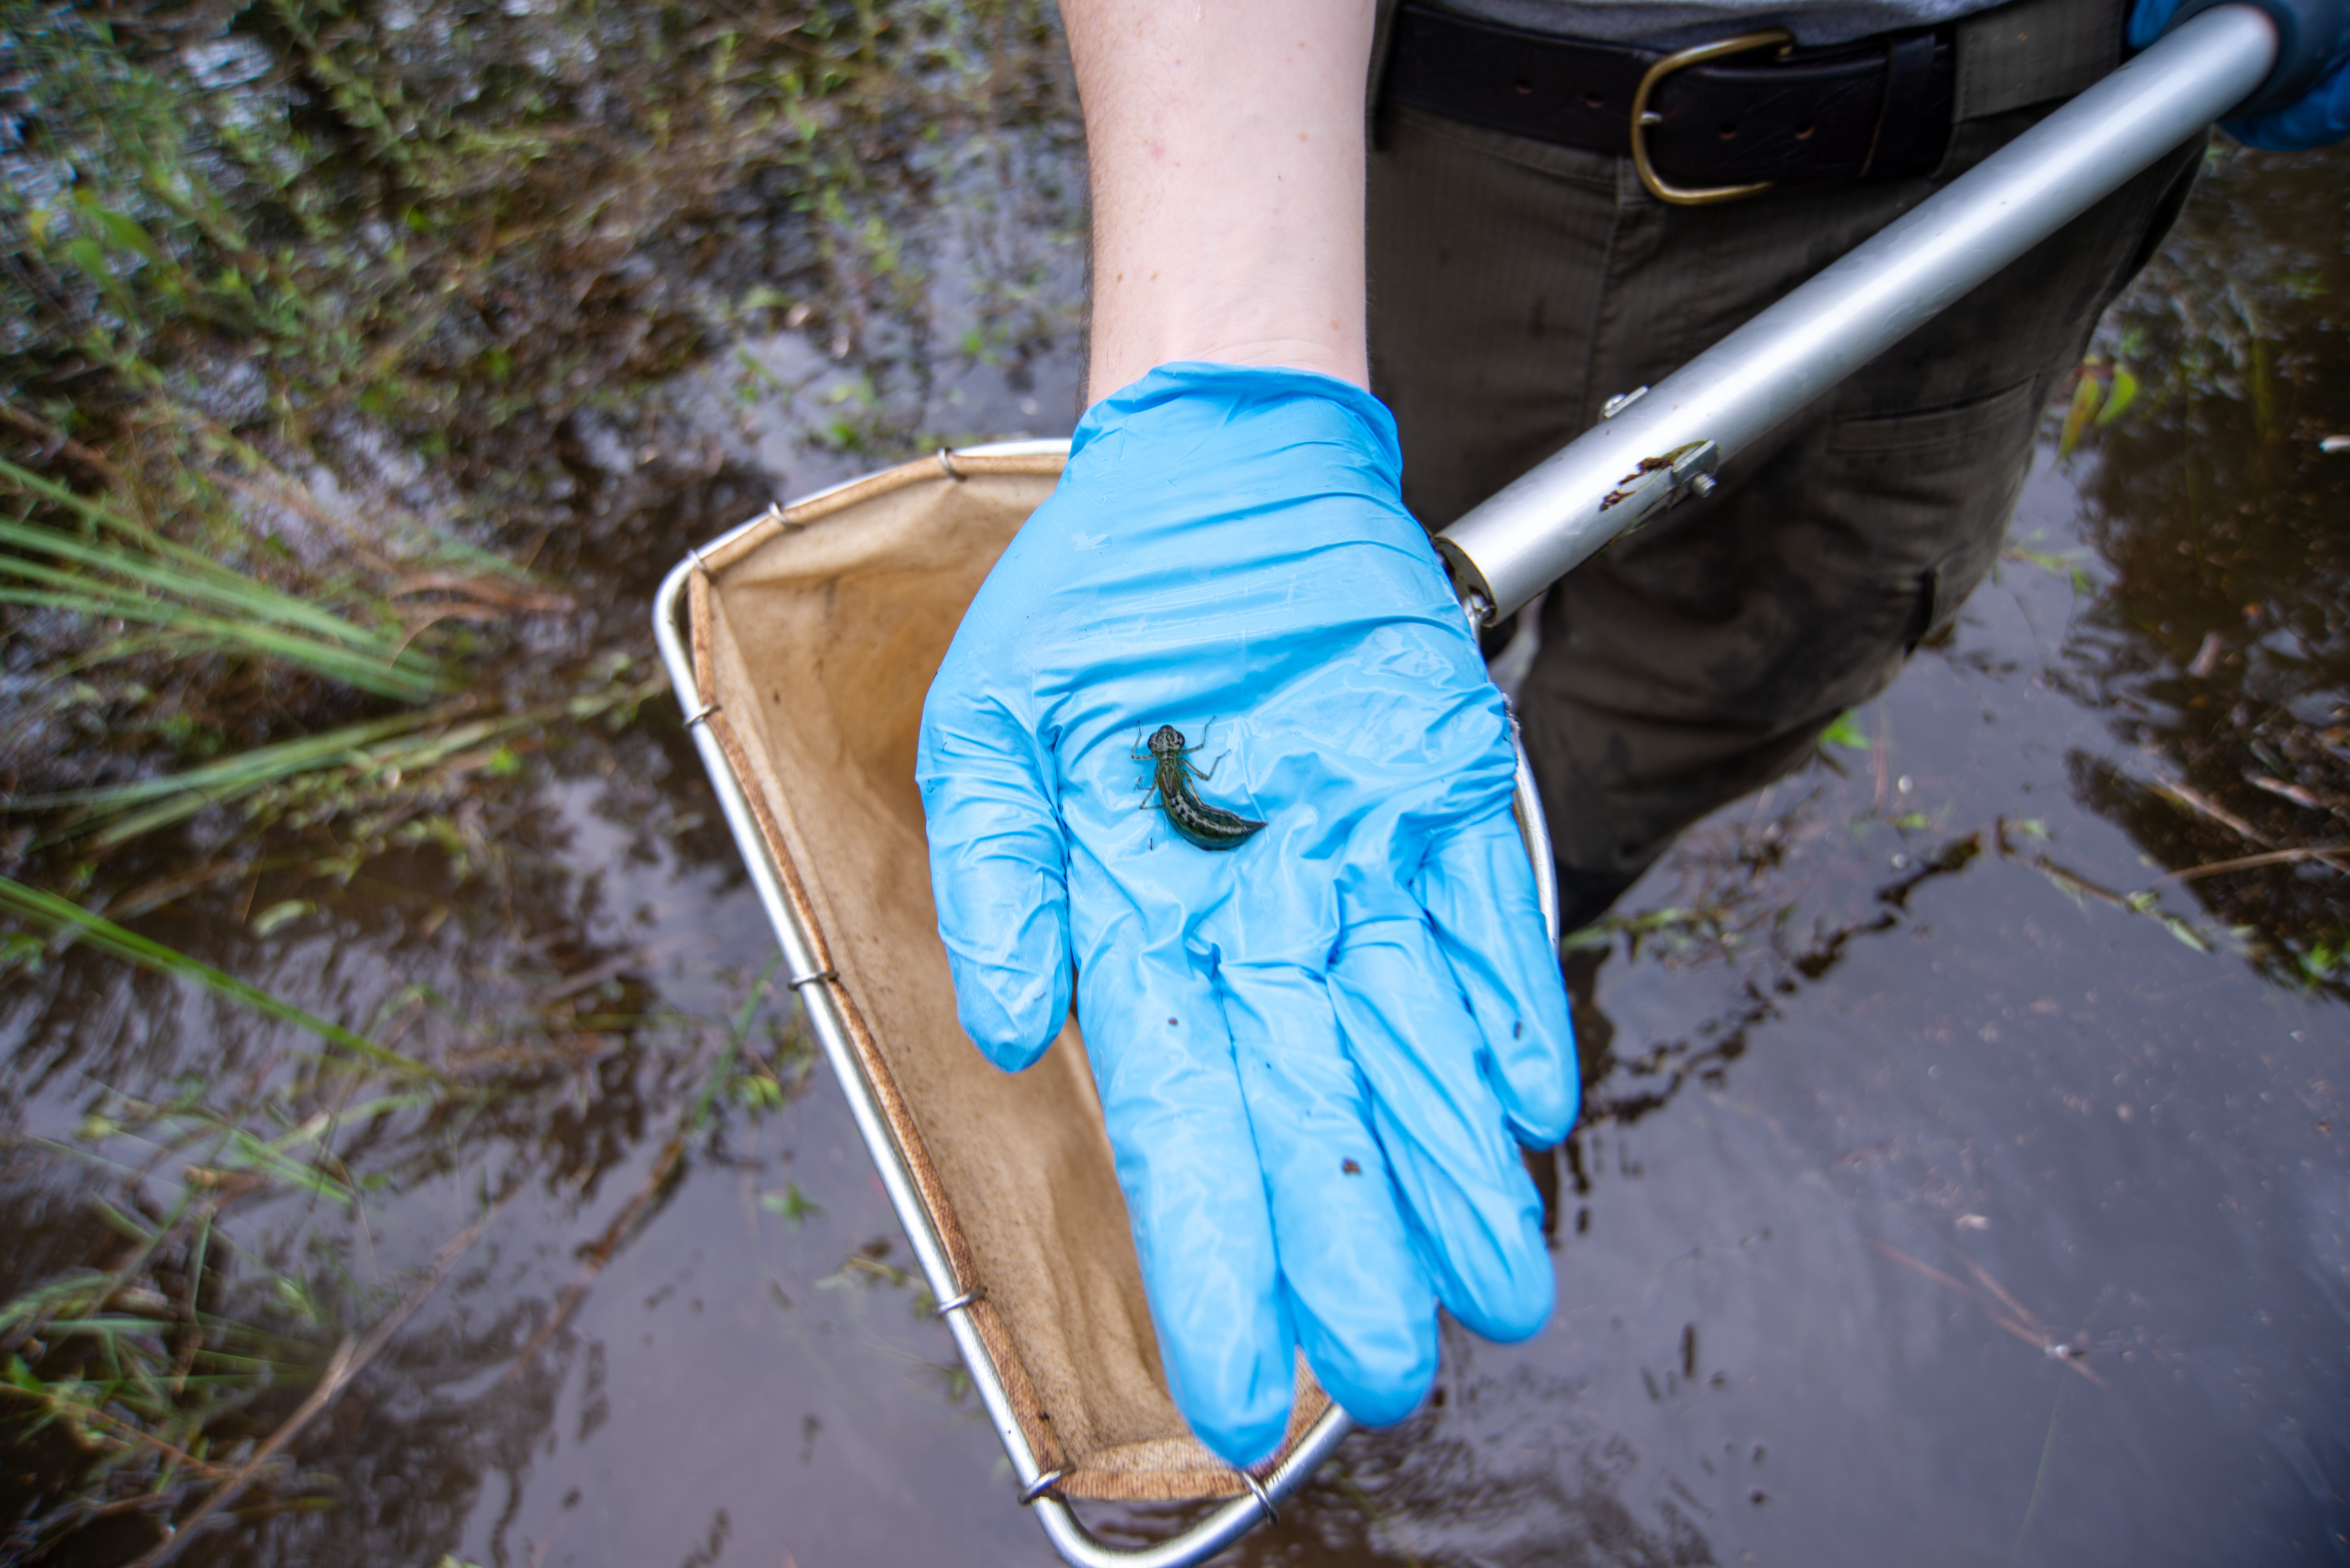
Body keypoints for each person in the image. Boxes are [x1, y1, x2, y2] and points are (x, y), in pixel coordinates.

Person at [916, 0, 2350, 1469]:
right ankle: (1468, 911)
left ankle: (1559, 874)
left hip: (2042, 133)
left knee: (1747, 662)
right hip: (1473, 119)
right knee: (1385, 586)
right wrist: (1229, 365)